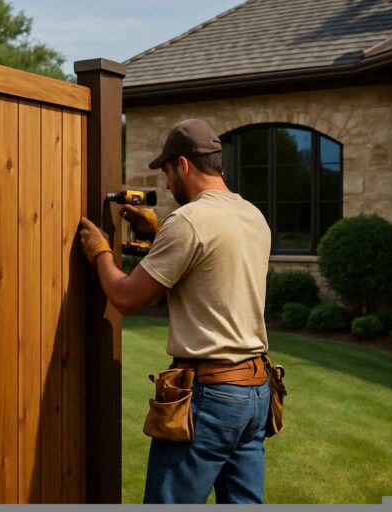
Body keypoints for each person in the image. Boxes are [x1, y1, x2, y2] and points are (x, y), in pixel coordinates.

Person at [78, 118, 273, 504]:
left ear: (183, 164)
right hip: (255, 392)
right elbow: (209, 267)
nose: (166, 184)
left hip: (211, 397)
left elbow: (128, 298)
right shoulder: (253, 215)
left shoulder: (188, 221)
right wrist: (156, 234)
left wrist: (99, 250)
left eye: (167, 172)